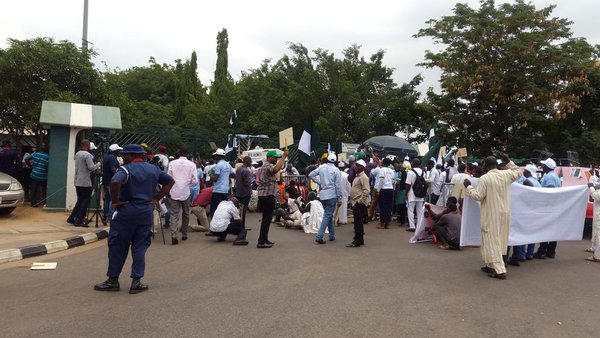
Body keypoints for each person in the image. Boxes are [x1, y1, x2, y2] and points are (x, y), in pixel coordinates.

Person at [94, 144, 174, 294]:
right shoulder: (154, 169)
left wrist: (116, 201)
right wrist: (156, 198)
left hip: (126, 210)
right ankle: (136, 282)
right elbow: (170, 181)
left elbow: (115, 182)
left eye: (125, 155)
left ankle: (113, 280)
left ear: (130, 156)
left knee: (118, 245)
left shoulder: (125, 169)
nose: (123, 157)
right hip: (145, 211)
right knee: (140, 246)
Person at [464, 154, 521, 280]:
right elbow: (518, 172)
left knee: (492, 241)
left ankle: (500, 271)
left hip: (491, 214)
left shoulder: (485, 178)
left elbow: (478, 196)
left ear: (486, 166)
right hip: (504, 213)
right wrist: (508, 161)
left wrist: (468, 187)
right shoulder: (506, 174)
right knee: (494, 241)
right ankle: (490, 265)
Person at [507, 164, 541, 265]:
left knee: (514, 234)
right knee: (527, 233)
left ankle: (517, 256)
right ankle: (526, 254)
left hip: (517, 209)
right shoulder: (533, 181)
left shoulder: (513, 179)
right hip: (529, 210)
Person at [256, 149, 288, 248]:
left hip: (266, 195)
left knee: (267, 218)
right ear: (269, 157)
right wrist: (283, 157)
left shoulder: (265, 166)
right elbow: (276, 169)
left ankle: (264, 239)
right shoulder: (267, 166)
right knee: (266, 219)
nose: (276, 159)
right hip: (267, 195)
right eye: (275, 158)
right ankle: (261, 241)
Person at [309, 153, 342, 244]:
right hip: (332, 195)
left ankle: (332, 235)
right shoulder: (336, 170)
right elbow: (337, 186)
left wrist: (319, 182)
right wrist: (340, 198)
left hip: (323, 195)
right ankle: (319, 236)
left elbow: (311, 175)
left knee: (328, 215)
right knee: (327, 215)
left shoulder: (322, 167)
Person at [166, 147, 197, 245]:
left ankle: (173, 235)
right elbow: (194, 180)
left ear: (178, 153)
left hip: (174, 191)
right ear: (187, 154)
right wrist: (186, 182)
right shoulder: (192, 164)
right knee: (186, 213)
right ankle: (184, 233)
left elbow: (168, 178)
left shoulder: (172, 163)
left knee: (174, 214)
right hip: (185, 192)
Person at [67, 139, 101, 227]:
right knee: (85, 201)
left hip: (78, 181)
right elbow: (91, 167)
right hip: (85, 182)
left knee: (80, 201)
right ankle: (79, 220)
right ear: (87, 145)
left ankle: (72, 217)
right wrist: (99, 164)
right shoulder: (87, 155)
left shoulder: (78, 154)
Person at [534, 158, 562, 259]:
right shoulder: (554, 176)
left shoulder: (549, 177)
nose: (542, 167)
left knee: (545, 229)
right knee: (552, 230)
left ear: (548, 167)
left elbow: (550, 191)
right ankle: (551, 251)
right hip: (554, 207)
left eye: (544, 165)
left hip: (548, 207)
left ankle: (542, 251)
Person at [347, 159, 370, 247]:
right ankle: (359, 239)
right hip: (355, 201)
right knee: (358, 222)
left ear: (362, 167)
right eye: (356, 165)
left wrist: (360, 201)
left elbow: (366, 191)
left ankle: (357, 240)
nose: (356, 167)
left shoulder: (363, 177)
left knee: (358, 222)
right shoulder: (357, 176)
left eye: (358, 165)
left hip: (358, 202)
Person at [209, 149, 234, 217]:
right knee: (223, 209)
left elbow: (216, 179)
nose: (215, 157)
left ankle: (213, 223)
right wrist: (226, 174)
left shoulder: (218, 165)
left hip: (218, 190)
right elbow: (233, 175)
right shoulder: (228, 165)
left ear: (218, 156)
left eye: (216, 155)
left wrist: (211, 175)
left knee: (214, 208)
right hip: (225, 190)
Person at [102, 144, 122, 220]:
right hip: (110, 181)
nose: (120, 152)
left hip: (106, 180)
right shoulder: (112, 158)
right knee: (112, 198)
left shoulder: (107, 157)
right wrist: (119, 177)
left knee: (107, 198)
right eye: (119, 150)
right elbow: (113, 169)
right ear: (115, 151)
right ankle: (110, 215)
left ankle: (106, 214)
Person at [405, 158, 425, 232]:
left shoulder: (410, 172)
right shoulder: (423, 172)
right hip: (420, 195)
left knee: (410, 210)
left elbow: (408, 184)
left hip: (412, 194)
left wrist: (406, 194)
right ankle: (420, 226)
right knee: (419, 211)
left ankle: (412, 226)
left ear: (412, 164)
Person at [376, 158, 395, 229]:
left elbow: (381, 180)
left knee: (383, 206)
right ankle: (387, 222)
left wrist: (378, 190)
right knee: (389, 206)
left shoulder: (382, 170)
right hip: (390, 189)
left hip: (383, 189)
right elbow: (393, 180)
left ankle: (382, 222)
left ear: (383, 163)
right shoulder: (392, 171)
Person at [235, 156, 253, 228]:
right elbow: (247, 183)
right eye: (250, 161)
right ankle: (242, 226)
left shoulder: (238, 169)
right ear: (247, 162)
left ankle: (238, 225)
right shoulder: (246, 171)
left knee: (238, 210)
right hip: (245, 192)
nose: (251, 163)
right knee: (244, 210)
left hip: (239, 192)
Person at [586, 182, 600, 263]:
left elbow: (596, 196)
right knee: (595, 232)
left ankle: (597, 256)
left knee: (598, 235)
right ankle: (594, 248)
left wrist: (592, 187)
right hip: (598, 214)